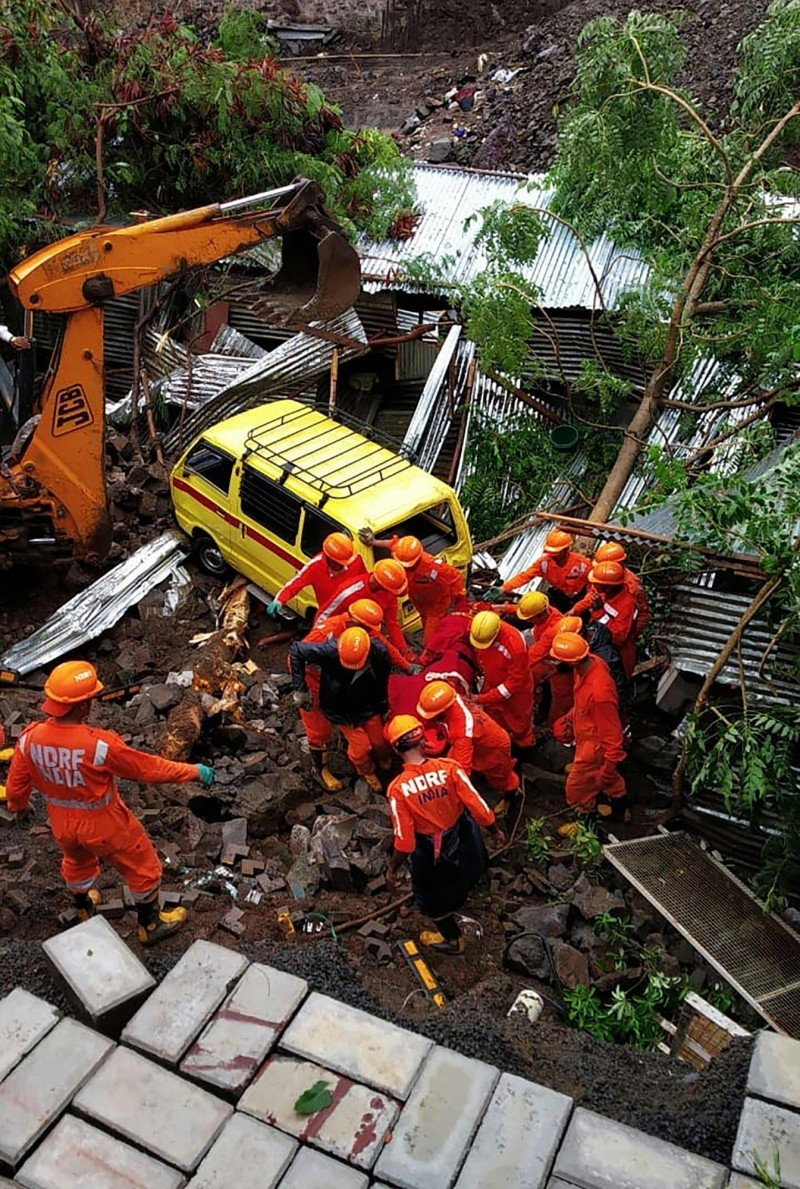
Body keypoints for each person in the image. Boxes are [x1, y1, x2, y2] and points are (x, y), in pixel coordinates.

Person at [5, 660, 214, 945]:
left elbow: (17, 784)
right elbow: (148, 769)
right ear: (81, 706)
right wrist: (192, 771)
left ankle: (82, 907)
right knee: (142, 866)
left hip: (62, 824)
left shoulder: (29, 740)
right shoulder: (99, 746)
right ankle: (150, 925)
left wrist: (17, 806)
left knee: (76, 862)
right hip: (104, 824)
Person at [384, 714, 504, 954]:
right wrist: (494, 830)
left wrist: (392, 868)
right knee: (467, 871)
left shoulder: (398, 789)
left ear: (397, 751)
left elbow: (405, 843)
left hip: (433, 849)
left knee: (433, 900)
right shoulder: (450, 768)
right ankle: (467, 889)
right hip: (463, 836)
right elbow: (480, 808)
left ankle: (453, 940)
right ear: (422, 741)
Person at [292, 598, 414, 792]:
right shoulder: (326, 638)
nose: (373, 632)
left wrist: (407, 667)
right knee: (320, 732)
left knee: (378, 738)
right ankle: (320, 769)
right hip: (321, 687)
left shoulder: (370, 641)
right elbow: (295, 655)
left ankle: (383, 758)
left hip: (356, 693)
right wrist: (302, 688)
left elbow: (385, 652)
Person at [289, 627, 392, 791]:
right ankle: (367, 770)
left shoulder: (379, 653)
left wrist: (383, 706)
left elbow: (382, 682)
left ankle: (384, 759)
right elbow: (296, 651)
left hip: (367, 703)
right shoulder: (329, 649)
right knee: (361, 748)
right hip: (341, 709)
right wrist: (300, 688)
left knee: (380, 741)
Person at [548, 632, 626, 833]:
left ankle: (585, 824)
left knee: (576, 789)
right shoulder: (589, 664)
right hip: (587, 734)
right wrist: (570, 717)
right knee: (604, 778)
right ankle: (620, 806)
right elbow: (584, 703)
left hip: (595, 745)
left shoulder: (600, 693)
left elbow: (613, 738)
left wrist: (606, 770)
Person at [416, 679, 520, 810]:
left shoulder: (462, 731)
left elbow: (462, 771)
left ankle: (512, 793)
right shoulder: (451, 696)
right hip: (475, 740)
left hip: (492, 750)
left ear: (442, 712)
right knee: (448, 764)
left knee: (500, 778)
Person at [361, 532, 464, 647]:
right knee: (427, 628)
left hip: (436, 608)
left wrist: (453, 606)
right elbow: (392, 544)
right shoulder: (402, 550)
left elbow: (456, 579)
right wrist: (373, 541)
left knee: (430, 642)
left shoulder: (435, 569)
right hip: (421, 604)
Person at [315, 558, 411, 657]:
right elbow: (324, 614)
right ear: (379, 584)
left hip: (364, 633)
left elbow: (392, 624)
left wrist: (404, 650)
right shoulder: (349, 592)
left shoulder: (389, 593)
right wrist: (316, 640)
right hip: (339, 632)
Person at [469, 611, 535, 749]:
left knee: (519, 722)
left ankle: (524, 746)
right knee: (493, 716)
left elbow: (514, 684)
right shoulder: (478, 628)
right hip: (491, 681)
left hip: (516, 693)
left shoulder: (515, 645)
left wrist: (482, 698)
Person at [267, 532, 365, 619]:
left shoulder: (356, 561)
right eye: (338, 563)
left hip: (355, 615)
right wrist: (279, 600)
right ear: (329, 557)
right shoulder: (314, 567)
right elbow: (295, 584)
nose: (341, 565)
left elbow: (366, 584)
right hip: (328, 617)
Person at [572, 559, 638, 680]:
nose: (593, 586)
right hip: (599, 644)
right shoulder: (603, 592)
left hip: (618, 655)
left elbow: (618, 638)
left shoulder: (626, 603)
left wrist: (598, 611)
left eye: (596, 584)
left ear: (608, 587)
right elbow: (590, 599)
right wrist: (573, 611)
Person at [500, 530, 590, 612]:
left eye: (556, 553)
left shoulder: (582, 564)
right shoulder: (544, 563)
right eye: (551, 553)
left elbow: (594, 586)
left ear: (566, 549)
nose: (553, 556)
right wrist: (504, 588)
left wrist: (582, 605)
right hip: (557, 596)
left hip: (580, 599)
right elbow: (525, 576)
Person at [592, 542, 650, 638]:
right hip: (608, 616)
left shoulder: (631, 587)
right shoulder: (606, 577)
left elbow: (624, 628)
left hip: (626, 624)